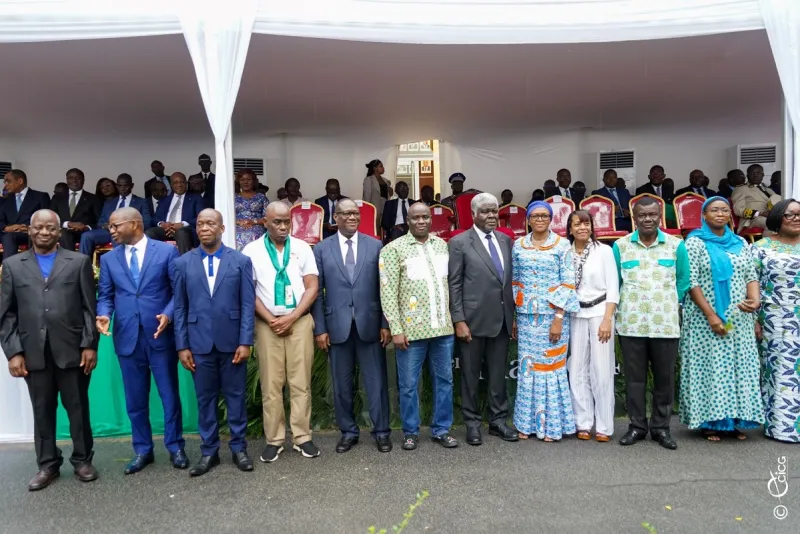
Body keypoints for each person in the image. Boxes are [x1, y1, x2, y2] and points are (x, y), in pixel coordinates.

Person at [0, 209, 98, 491]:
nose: (45, 232)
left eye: (51, 228)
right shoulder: (13, 265)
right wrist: (14, 352)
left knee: (78, 408)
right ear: (29, 230)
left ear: (59, 232)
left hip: (72, 351)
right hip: (33, 352)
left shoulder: (78, 262)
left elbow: (88, 309)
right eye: (39, 228)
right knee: (42, 410)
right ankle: (47, 464)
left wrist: (89, 345)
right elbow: (6, 314)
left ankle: (82, 460)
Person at [96, 207, 187, 474]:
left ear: (135, 224)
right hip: (127, 338)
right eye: (110, 227)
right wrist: (103, 315)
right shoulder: (109, 259)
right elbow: (105, 295)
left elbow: (177, 291)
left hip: (159, 335)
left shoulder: (166, 251)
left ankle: (175, 447)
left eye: (115, 226)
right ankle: (143, 450)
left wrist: (168, 315)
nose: (111, 231)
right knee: (135, 399)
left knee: (169, 395)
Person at [173, 209, 255, 475]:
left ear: (221, 227)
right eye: (200, 224)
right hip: (198, 345)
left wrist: (245, 341)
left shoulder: (241, 261)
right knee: (205, 400)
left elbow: (246, 304)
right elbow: (180, 308)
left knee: (235, 397)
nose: (204, 228)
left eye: (210, 223)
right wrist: (182, 346)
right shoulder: (183, 263)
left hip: (232, 343)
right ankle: (209, 452)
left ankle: (239, 448)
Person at [679, 197, 763, 441]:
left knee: (737, 367)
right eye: (714, 210)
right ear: (704, 215)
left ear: (730, 215)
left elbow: (751, 275)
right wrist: (711, 315)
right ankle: (711, 422)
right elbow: (691, 282)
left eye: (725, 210)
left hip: (739, 318)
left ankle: (733, 420)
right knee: (711, 367)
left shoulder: (740, 242)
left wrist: (755, 300)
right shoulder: (694, 243)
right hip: (706, 318)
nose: (720, 214)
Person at [312, 199, 392, 453]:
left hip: (370, 325)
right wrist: (320, 329)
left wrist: (385, 323)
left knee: (376, 383)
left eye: (355, 214)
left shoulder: (376, 245)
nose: (352, 218)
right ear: (335, 218)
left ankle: (381, 432)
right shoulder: (322, 249)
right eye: (346, 214)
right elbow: (317, 293)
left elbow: (384, 288)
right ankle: (348, 431)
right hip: (337, 327)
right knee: (341, 384)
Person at [242, 202, 321, 461]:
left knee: (300, 382)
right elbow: (248, 292)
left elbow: (312, 286)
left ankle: (302, 437)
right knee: (271, 384)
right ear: (265, 222)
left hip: (298, 322)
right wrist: (272, 319)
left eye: (287, 221)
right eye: (277, 222)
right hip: (267, 325)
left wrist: (292, 317)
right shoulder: (251, 250)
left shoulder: (301, 248)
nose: (283, 226)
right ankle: (274, 439)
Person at [380, 202, 458, 450]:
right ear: (408, 220)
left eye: (425, 217)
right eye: (416, 218)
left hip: (443, 330)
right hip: (411, 333)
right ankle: (410, 431)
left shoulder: (442, 246)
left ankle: (441, 429)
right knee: (409, 385)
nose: (421, 221)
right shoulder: (393, 250)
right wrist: (397, 329)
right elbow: (388, 292)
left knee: (445, 381)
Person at [614, 197, 689, 450]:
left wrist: (666, 302)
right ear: (634, 217)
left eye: (652, 215)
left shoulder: (676, 246)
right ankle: (637, 427)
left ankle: (661, 428)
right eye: (642, 215)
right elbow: (616, 283)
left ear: (660, 216)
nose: (647, 219)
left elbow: (683, 281)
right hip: (631, 323)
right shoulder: (621, 246)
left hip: (665, 324)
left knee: (664, 379)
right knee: (634, 380)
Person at [448, 193, 517, 445]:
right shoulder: (459, 242)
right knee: (469, 375)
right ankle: (472, 423)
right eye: (485, 212)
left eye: (494, 211)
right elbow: (454, 284)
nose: (491, 216)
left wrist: (513, 316)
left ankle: (498, 421)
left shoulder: (505, 240)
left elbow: (508, 283)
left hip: (501, 319)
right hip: (472, 321)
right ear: (474, 214)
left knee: (498, 375)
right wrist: (458, 320)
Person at [512, 201, 578, 442]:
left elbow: (567, 282)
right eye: (535, 216)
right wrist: (515, 318)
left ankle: (551, 426)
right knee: (528, 369)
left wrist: (559, 318)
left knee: (550, 369)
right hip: (527, 319)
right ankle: (526, 424)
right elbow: (515, 281)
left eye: (544, 216)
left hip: (553, 317)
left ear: (551, 219)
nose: (540, 220)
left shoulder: (562, 246)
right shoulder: (518, 245)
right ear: (528, 219)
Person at [566, 210, 619, 442]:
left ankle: (605, 426)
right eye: (577, 224)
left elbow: (613, 288)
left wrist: (608, 318)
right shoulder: (564, 252)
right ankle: (583, 423)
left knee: (602, 370)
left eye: (586, 223)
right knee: (576, 369)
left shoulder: (604, 251)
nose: (582, 228)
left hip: (600, 314)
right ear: (570, 229)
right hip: (575, 314)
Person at [753, 199, 800, 443]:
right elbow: (751, 286)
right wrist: (754, 321)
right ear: (777, 218)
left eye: (799, 214)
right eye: (789, 215)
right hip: (777, 320)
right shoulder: (761, 247)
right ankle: (781, 428)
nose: (796, 218)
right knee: (781, 373)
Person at [79, 173, 152, 257]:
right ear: (116, 186)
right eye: (120, 186)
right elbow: (100, 223)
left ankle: (120, 267)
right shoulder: (109, 203)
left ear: (132, 185)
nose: (123, 189)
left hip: (128, 233)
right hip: (108, 232)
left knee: (117, 236)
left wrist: (127, 227)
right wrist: (105, 226)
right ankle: (83, 267)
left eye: (126, 186)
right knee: (86, 236)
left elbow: (147, 222)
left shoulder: (141, 202)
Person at [146, 172, 203, 254]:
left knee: (181, 232)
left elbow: (200, 217)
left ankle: (184, 262)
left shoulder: (196, 198)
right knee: (149, 232)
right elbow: (155, 218)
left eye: (181, 182)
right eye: (175, 182)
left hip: (185, 229)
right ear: (171, 185)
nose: (179, 185)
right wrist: (162, 224)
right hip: (166, 229)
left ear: (186, 183)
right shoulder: (165, 200)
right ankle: (153, 262)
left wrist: (182, 224)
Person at [0, 169, 51, 261]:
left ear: (20, 181)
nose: (5, 185)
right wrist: (7, 228)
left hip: (32, 233)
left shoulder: (40, 196)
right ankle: (10, 271)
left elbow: (47, 218)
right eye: (5, 182)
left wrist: (30, 228)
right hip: (11, 234)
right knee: (8, 236)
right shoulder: (5, 199)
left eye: (8, 181)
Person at [52, 168, 100, 252]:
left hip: (84, 234)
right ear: (66, 180)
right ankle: (71, 263)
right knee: (64, 234)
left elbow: (99, 221)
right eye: (71, 178)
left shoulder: (94, 199)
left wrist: (87, 227)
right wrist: (68, 224)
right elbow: (51, 219)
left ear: (83, 180)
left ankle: (79, 264)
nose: (74, 180)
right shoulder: (57, 198)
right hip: (63, 233)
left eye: (78, 178)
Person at [731, 164, 782, 232]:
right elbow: (738, 210)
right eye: (752, 173)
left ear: (763, 175)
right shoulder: (741, 189)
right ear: (747, 175)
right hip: (752, 220)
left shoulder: (768, 190)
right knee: (771, 224)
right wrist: (760, 213)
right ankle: (770, 243)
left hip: (771, 217)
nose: (755, 175)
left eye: (758, 173)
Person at [234, 169, 268, 250]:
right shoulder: (233, 198)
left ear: (254, 181)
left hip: (257, 226)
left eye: (249, 179)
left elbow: (268, 218)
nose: (245, 182)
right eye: (242, 179)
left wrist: (253, 222)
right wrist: (239, 222)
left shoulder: (261, 197)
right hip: (237, 226)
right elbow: (227, 217)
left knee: (254, 235)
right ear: (238, 182)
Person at [362, 159, 391, 227]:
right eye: (381, 166)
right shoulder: (369, 180)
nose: (383, 168)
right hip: (374, 208)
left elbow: (389, 195)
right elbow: (367, 197)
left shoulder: (385, 180)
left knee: (384, 229)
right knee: (375, 228)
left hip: (385, 208)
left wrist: (390, 190)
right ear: (375, 168)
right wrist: (368, 211)